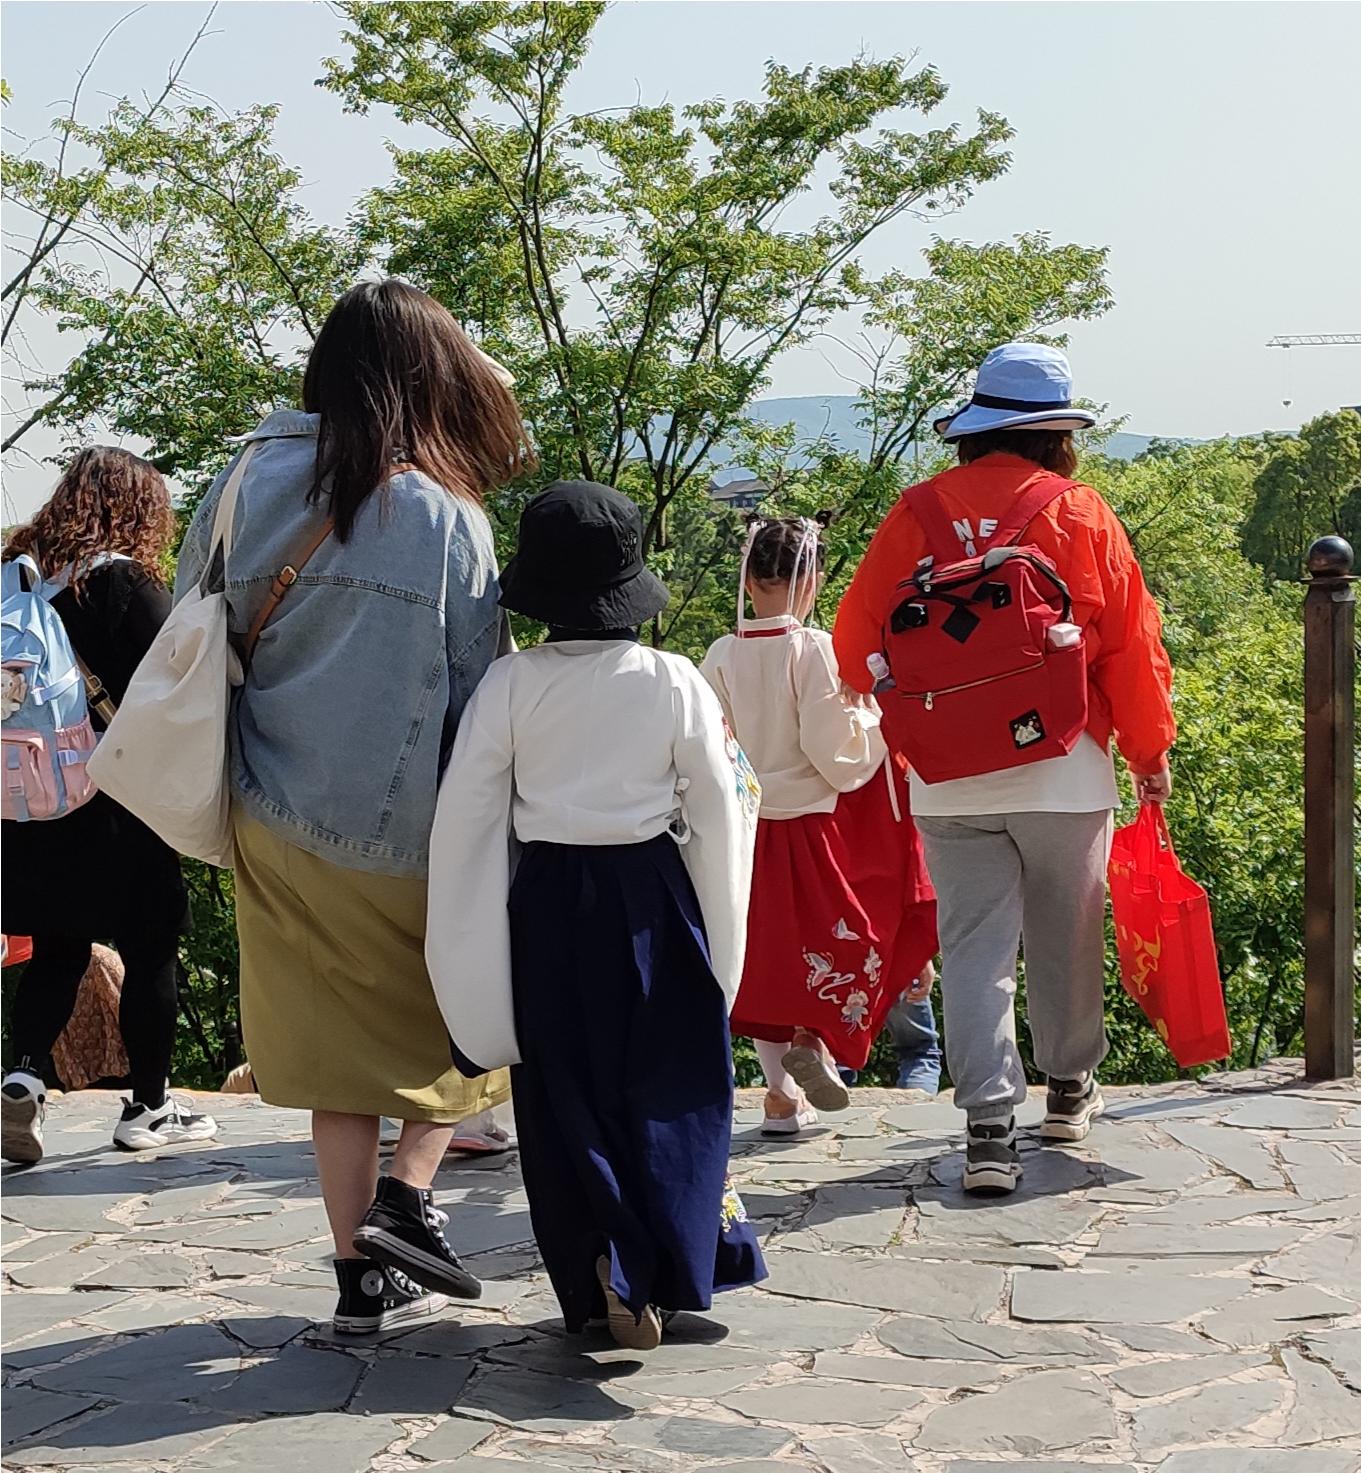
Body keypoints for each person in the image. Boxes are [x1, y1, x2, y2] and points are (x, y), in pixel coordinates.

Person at [174, 278, 535, 1336]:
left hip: (270, 807)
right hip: (404, 824)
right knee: (471, 1020)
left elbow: (194, 620)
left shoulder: (244, 481)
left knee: (339, 1056)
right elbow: (478, 685)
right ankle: (408, 1196)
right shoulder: (445, 515)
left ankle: (358, 1280)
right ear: (432, 377)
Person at [425, 480, 766, 1352]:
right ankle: (662, 1259)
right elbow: (720, 810)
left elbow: (466, 818)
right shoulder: (672, 678)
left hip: (548, 901)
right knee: (672, 1082)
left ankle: (601, 1265)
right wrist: (723, 946)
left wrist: (466, 959)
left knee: (563, 1092)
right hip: (653, 895)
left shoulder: (510, 682)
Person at [834, 342, 1175, 1195]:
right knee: (1066, 933)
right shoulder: (1080, 513)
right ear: (1058, 435)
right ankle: (1067, 1090)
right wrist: (1148, 752)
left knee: (973, 947)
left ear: (974, 428)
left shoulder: (915, 512)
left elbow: (853, 645)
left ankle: (987, 1128)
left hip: (944, 771)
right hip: (1064, 765)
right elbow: (1131, 647)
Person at [2, 448, 217, 1164]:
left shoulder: (21, 583)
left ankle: (23, 1074)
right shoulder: (124, 582)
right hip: (121, 798)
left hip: (35, 801)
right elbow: (184, 675)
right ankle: (149, 1106)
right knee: (151, 948)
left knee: (58, 949)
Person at [701, 515, 938, 1136]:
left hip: (749, 826)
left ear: (748, 578)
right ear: (813, 581)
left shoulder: (721, 654)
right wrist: (874, 718)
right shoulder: (813, 649)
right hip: (815, 826)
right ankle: (817, 1037)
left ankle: (780, 1095)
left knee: (766, 958)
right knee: (845, 936)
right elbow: (838, 756)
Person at [839, 970, 943, 1094]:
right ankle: (918, 1103)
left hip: (839, 965)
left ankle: (834, 1097)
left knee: (836, 1052)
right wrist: (922, 962)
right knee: (918, 1051)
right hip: (898, 964)